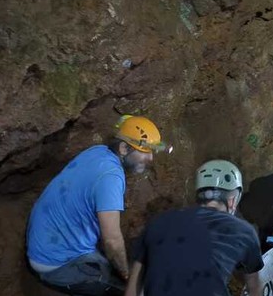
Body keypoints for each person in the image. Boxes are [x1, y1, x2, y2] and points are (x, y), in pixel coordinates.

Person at [26, 115, 168, 295]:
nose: (150, 158)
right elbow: (112, 241)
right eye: (145, 150)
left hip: (46, 239)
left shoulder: (98, 151)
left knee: (113, 268)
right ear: (124, 148)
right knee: (132, 291)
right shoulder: (111, 178)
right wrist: (126, 275)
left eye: (152, 151)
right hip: (55, 262)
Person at [125, 160, 263, 296]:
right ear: (233, 200)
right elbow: (254, 289)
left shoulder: (158, 222)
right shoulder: (244, 231)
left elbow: (132, 289)